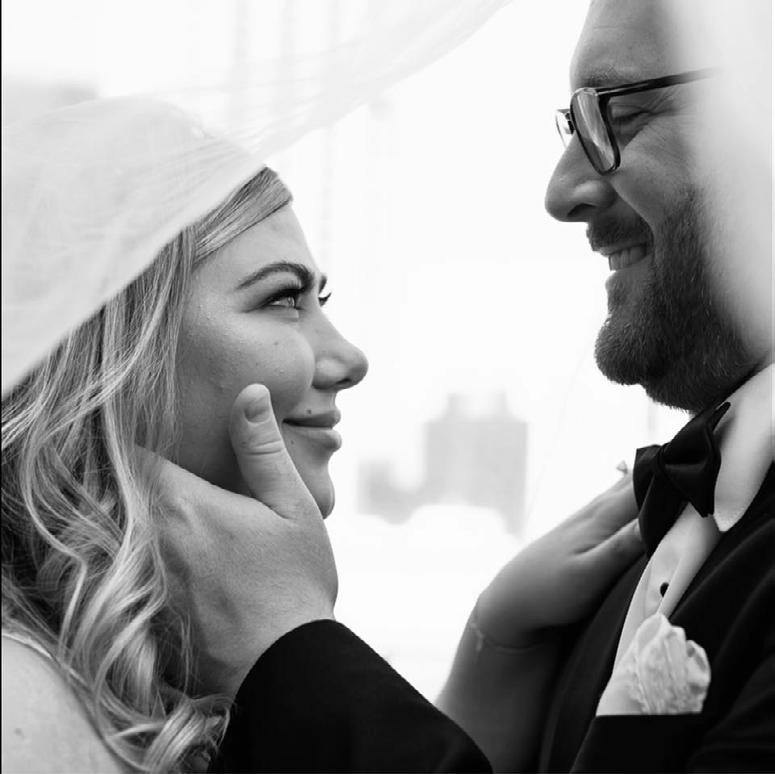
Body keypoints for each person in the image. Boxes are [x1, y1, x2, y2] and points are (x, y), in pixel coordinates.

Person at [201, 1, 773, 772]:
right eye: (281, 298)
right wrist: (495, 652)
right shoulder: (630, 563)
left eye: (618, 114)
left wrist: (293, 651)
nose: (560, 190)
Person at [1, 100, 640, 773]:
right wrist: (292, 635)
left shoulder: (139, 669)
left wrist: (497, 643)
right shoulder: (21, 709)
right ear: (112, 358)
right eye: (283, 298)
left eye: (320, 301)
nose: (349, 360)